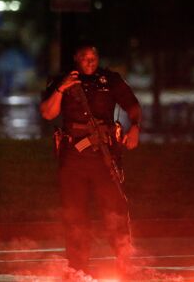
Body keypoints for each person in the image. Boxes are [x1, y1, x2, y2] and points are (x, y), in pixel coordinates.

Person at [40, 45, 142, 277]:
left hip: (104, 156)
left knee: (115, 208)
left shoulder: (110, 80)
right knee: (75, 214)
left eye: (94, 57)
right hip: (73, 158)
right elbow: (47, 112)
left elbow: (133, 106)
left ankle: (125, 260)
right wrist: (61, 89)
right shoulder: (61, 81)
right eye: (85, 57)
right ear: (76, 58)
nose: (90, 61)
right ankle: (78, 269)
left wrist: (135, 127)